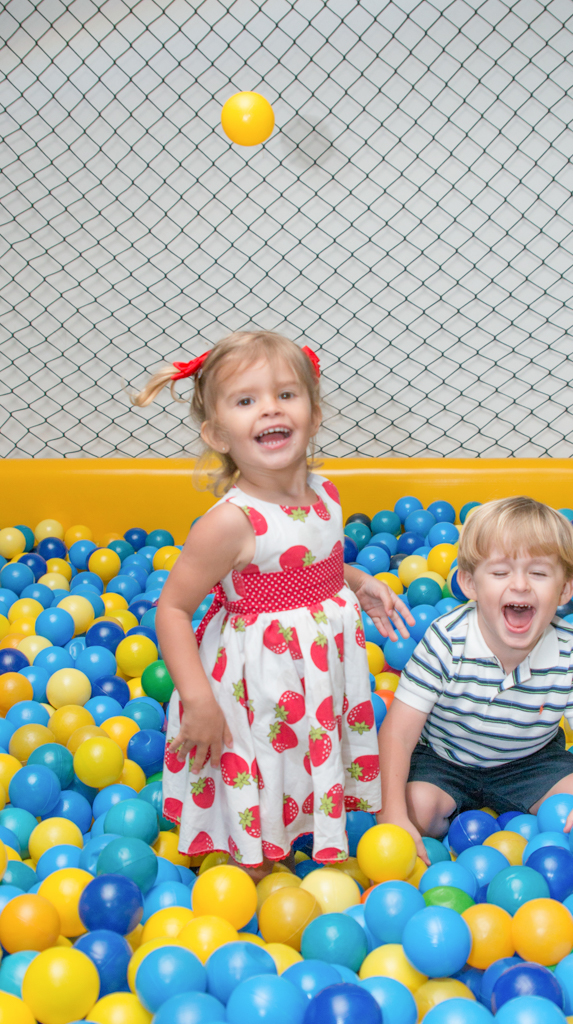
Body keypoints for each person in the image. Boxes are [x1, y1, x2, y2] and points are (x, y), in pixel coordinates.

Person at [133, 330, 412, 874]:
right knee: (263, 756)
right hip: (260, 680)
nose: (270, 409)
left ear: (314, 413)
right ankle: (252, 861)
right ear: (218, 434)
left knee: (304, 748)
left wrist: (355, 580)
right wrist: (198, 700)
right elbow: (171, 610)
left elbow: (306, 561)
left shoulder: (325, 492)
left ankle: (303, 826)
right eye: (246, 400)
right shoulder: (230, 522)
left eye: (286, 394)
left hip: (315, 675)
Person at [377, 495, 573, 864]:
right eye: (500, 573)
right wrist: (392, 813)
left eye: (539, 573)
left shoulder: (569, 651)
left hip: (531, 761)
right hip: (445, 759)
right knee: (414, 807)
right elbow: (398, 734)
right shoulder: (446, 640)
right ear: (469, 583)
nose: (520, 585)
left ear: (565, 589)